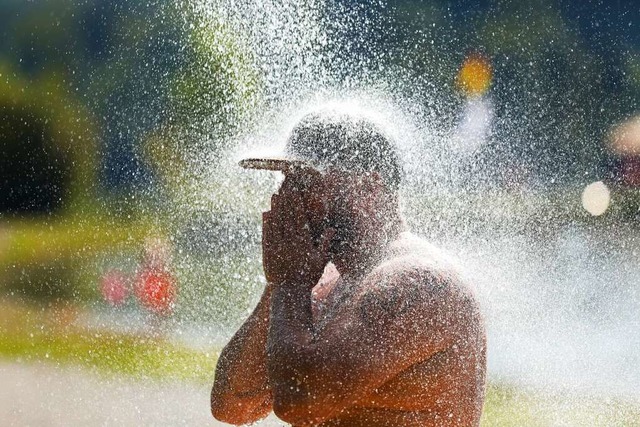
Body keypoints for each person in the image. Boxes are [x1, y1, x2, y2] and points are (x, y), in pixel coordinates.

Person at [211, 109, 487, 426]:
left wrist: (289, 284)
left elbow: (300, 401)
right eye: (285, 181)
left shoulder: (418, 282)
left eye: (305, 182)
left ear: (370, 188)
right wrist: (279, 284)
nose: (287, 197)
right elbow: (231, 405)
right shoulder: (322, 283)